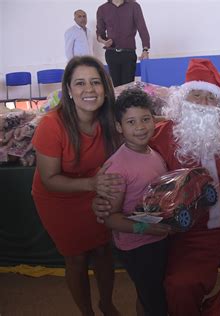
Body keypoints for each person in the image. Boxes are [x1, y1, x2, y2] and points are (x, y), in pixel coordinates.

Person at [94, 58, 220, 315]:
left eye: (210, 97)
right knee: (180, 285)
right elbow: (130, 157)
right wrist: (103, 190)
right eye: (196, 95)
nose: (203, 104)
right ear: (183, 100)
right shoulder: (160, 136)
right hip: (190, 233)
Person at [31, 56, 121, 316]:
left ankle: (107, 303)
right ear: (68, 91)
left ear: (105, 87)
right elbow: (50, 179)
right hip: (57, 197)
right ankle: (87, 312)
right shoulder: (51, 125)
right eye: (80, 83)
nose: (89, 90)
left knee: (104, 250)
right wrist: (92, 183)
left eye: (95, 82)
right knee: (77, 258)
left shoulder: (109, 118)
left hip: (94, 189)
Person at [102, 88, 171, 316]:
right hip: (136, 247)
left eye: (145, 119)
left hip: (158, 237)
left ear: (154, 119)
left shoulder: (153, 152)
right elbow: (111, 218)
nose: (140, 127)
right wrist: (146, 228)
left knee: (150, 295)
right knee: (155, 301)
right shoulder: (117, 167)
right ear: (119, 127)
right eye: (131, 122)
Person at [96, 0, 150, 87]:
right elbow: (99, 34)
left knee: (128, 88)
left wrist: (145, 49)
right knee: (115, 88)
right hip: (111, 53)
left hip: (128, 54)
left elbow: (142, 28)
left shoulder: (134, 6)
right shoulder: (102, 9)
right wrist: (104, 41)